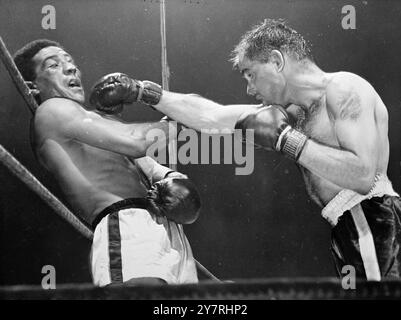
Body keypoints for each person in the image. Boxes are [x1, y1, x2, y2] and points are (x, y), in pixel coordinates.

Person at [90, 19, 401, 280]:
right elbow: (211, 115)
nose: (250, 89)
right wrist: (143, 91)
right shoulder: (292, 112)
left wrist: (287, 141)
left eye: (251, 74)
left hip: (372, 219)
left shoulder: (344, 88)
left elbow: (362, 175)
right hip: (348, 227)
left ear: (277, 61)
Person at [13, 39, 200, 286]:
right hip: (126, 225)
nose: (71, 69)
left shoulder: (97, 121)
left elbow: (151, 168)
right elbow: (137, 142)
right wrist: (184, 116)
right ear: (32, 86)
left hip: (167, 231)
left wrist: (172, 182)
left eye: (70, 62)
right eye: (53, 65)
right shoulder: (51, 112)